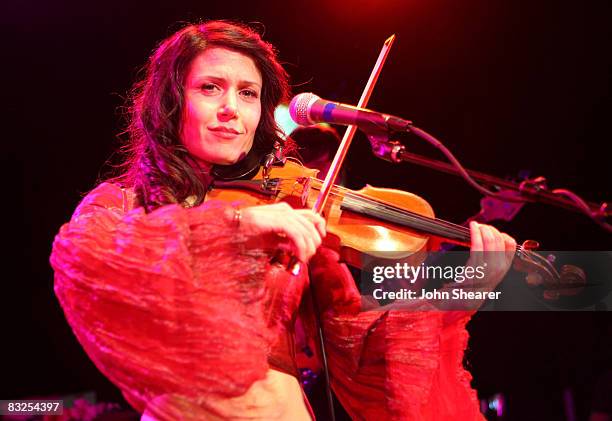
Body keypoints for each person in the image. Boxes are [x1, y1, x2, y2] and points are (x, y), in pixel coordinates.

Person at [50, 20, 517, 420]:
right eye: (210, 87)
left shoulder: (290, 215)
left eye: (248, 93)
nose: (231, 108)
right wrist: (236, 227)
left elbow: (370, 356)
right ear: (172, 102)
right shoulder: (126, 203)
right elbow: (88, 262)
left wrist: (468, 288)